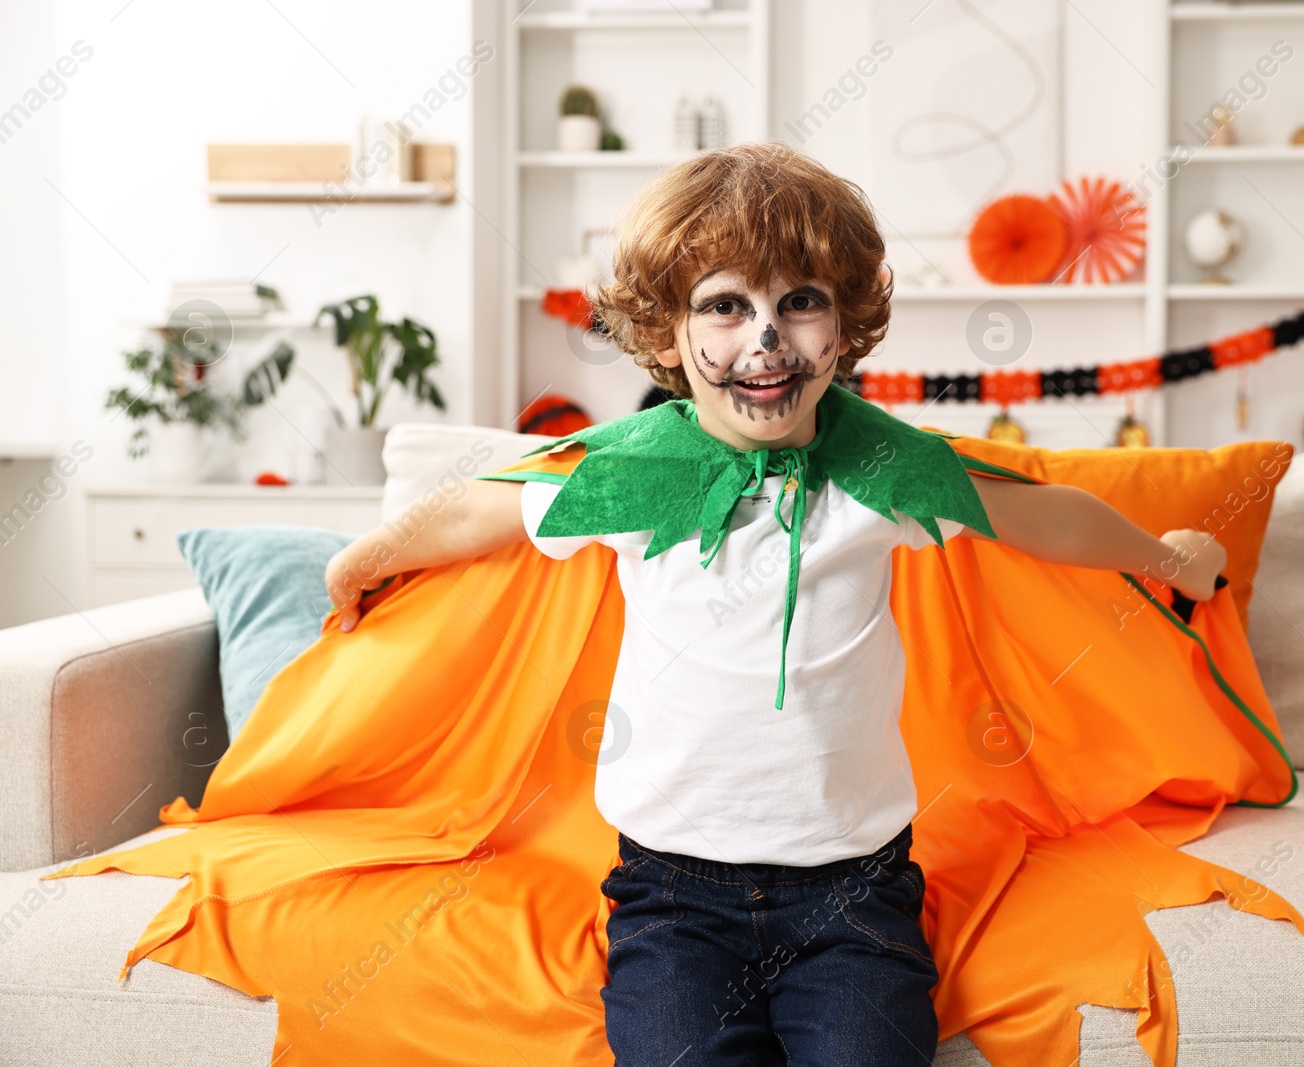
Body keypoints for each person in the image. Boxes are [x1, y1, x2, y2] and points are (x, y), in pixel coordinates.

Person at [323, 141, 1226, 1066]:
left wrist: (1165, 557)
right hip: (672, 899)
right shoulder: (634, 470)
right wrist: (372, 551)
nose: (766, 338)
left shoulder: (883, 470)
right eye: (725, 305)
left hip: (855, 896)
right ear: (670, 333)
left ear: (844, 325)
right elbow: (489, 506)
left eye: (800, 302)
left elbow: (1036, 513)